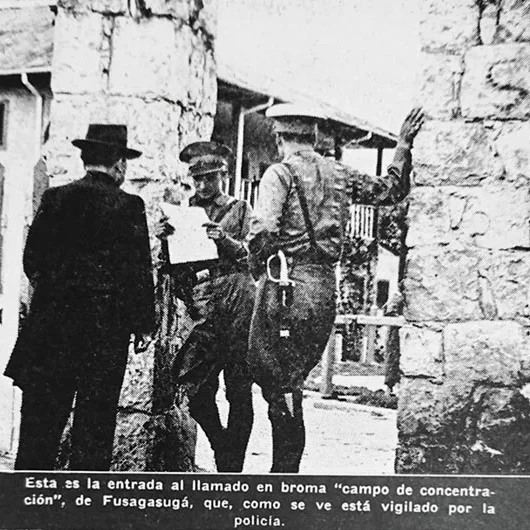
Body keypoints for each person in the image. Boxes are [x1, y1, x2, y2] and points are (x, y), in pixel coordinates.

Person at [247, 104, 424, 473]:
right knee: (291, 381)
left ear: (280, 138)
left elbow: (263, 230)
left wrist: (253, 267)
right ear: (314, 137)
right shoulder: (339, 173)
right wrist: (403, 143)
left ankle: (283, 476)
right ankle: (285, 472)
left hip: (286, 288)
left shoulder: (279, 174)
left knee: (273, 377)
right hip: (324, 289)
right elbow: (390, 189)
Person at [4, 124, 155, 470]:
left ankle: (27, 510)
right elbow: (137, 274)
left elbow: (32, 261)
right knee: (94, 431)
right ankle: (86, 514)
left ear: (85, 158)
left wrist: (54, 293)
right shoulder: (129, 205)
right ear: (118, 164)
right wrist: (143, 326)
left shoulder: (54, 198)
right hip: (103, 336)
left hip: (50, 331)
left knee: (39, 429)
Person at [158, 141, 255, 473]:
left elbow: (251, 258)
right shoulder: (183, 213)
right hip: (203, 307)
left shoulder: (239, 209)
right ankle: (220, 443)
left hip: (239, 305)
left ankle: (232, 468)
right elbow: (172, 267)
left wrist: (223, 239)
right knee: (195, 386)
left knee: (239, 390)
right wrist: (164, 239)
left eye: (209, 179)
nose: (201, 186)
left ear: (223, 176)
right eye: (196, 180)